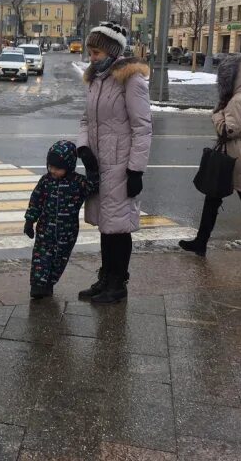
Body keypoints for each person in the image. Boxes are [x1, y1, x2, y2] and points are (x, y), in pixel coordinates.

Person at [179, 55, 241, 263]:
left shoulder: (236, 100)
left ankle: (202, 242)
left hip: (231, 157)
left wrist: (216, 116)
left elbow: (228, 130)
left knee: (220, 198)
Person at [77, 22, 152, 304]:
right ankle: (105, 277)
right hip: (99, 165)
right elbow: (85, 119)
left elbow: (143, 128)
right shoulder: (96, 79)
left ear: (111, 51)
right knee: (106, 226)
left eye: (96, 52)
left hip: (121, 166)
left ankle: (118, 283)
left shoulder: (131, 80)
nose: (92, 57)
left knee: (118, 228)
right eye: (91, 52)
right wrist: (83, 148)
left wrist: (136, 169)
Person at [24, 140, 99, 299]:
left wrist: (92, 168)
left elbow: (93, 186)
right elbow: (36, 200)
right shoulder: (46, 181)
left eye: (57, 168)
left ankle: (49, 283)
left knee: (59, 259)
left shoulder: (78, 182)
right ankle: (37, 286)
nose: (52, 171)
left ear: (69, 166)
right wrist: (30, 221)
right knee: (41, 257)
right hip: (45, 228)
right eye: (50, 166)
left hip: (68, 232)